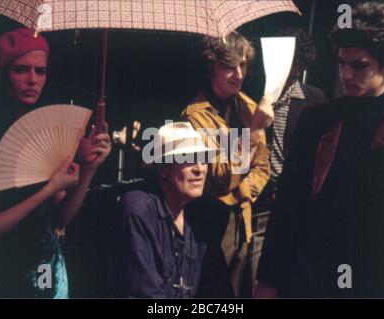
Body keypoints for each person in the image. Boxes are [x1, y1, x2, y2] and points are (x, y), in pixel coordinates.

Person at [256, 2, 384, 298]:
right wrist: (268, 279)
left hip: (370, 284)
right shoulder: (316, 121)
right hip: (306, 278)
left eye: (359, 65)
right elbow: (287, 208)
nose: (346, 74)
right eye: (342, 63)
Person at [0, 28, 111, 298]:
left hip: (45, 267)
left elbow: (60, 218)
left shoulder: (46, 133)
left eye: (40, 71)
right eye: (21, 70)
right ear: (3, 74)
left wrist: (89, 168)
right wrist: (48, 189)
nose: (32, 80)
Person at [181, 31, 274, 297]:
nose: (238, 74)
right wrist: (254, 131)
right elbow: (220, 179)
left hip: (242, 218)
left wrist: (242, 194)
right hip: (209, 223)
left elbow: (263, 166)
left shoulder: (247, 106)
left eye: (243, 65)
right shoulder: (196, 115)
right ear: (212, 67)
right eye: (229, 66)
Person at [252, 27, 326, 289]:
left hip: (293, 197)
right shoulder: (255, 95)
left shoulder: (313, 99)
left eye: (292, 60)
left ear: (299, 64)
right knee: (252, 269)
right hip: (257, 193)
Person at [119, 122, 212, 298]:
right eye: (188, 158)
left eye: (203, 158)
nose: (199, 169)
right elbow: (145, 294)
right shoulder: (139, 209)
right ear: (163, 169)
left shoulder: (200, 218)